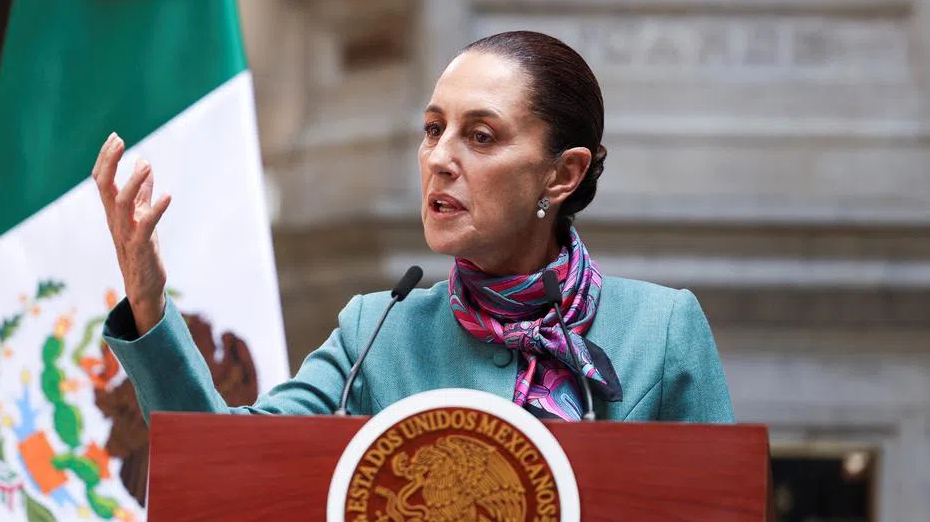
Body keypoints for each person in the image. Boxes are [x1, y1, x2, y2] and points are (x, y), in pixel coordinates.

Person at [93, 31, 734, 424]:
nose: (440, 159)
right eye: (433, 130)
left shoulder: (662, 330)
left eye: (479, 136)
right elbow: (223, 463)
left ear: (562, 175)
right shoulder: (376, 333)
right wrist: (148, 304)